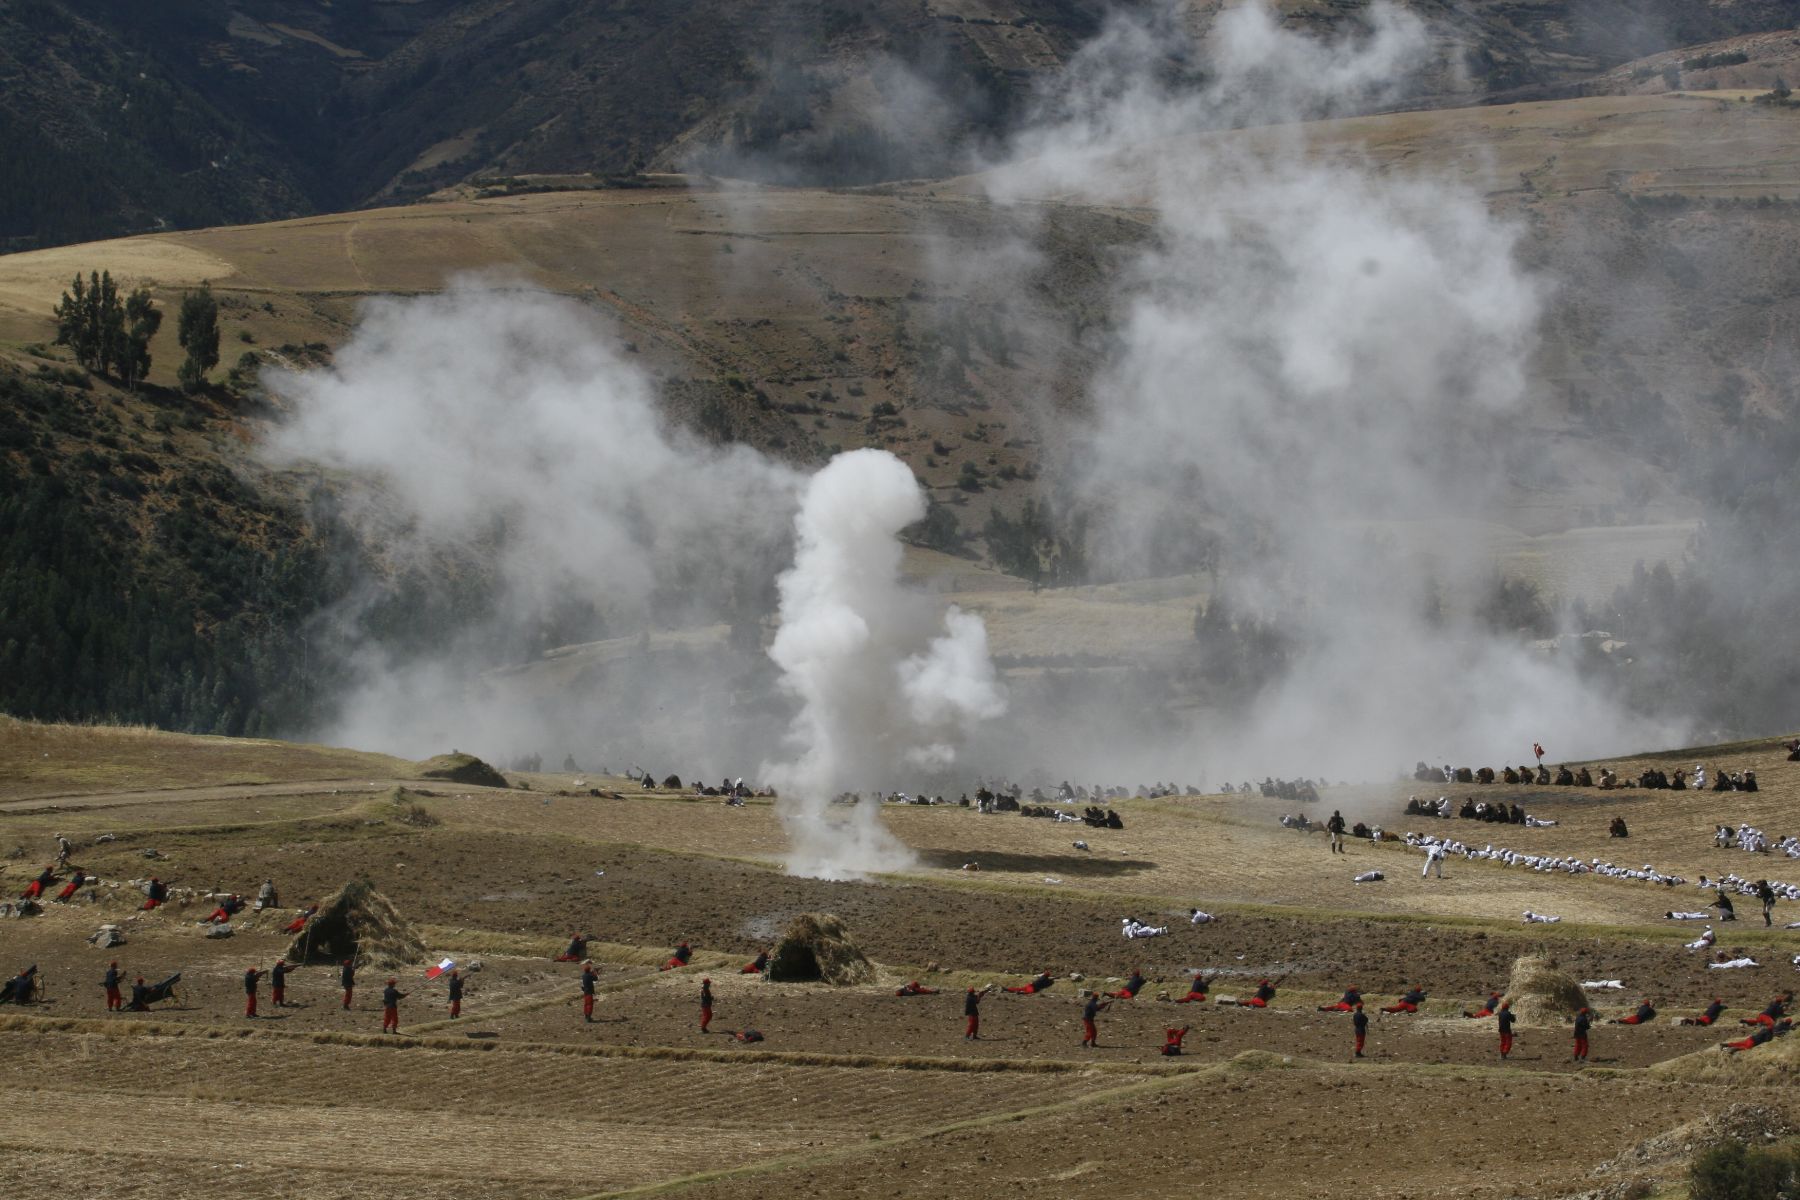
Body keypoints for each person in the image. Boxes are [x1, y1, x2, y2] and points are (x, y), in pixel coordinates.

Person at [1723, 1018, 1791, 1052]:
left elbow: (1779, 1024)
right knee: (1746, 1048)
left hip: (1751, 1038)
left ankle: (1727, 1045)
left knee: (1740, 1043)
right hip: (1753, 1042)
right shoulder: (1769, 1033)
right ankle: (1734, 1049)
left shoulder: (1764, 1029)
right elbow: (1767, 1041)